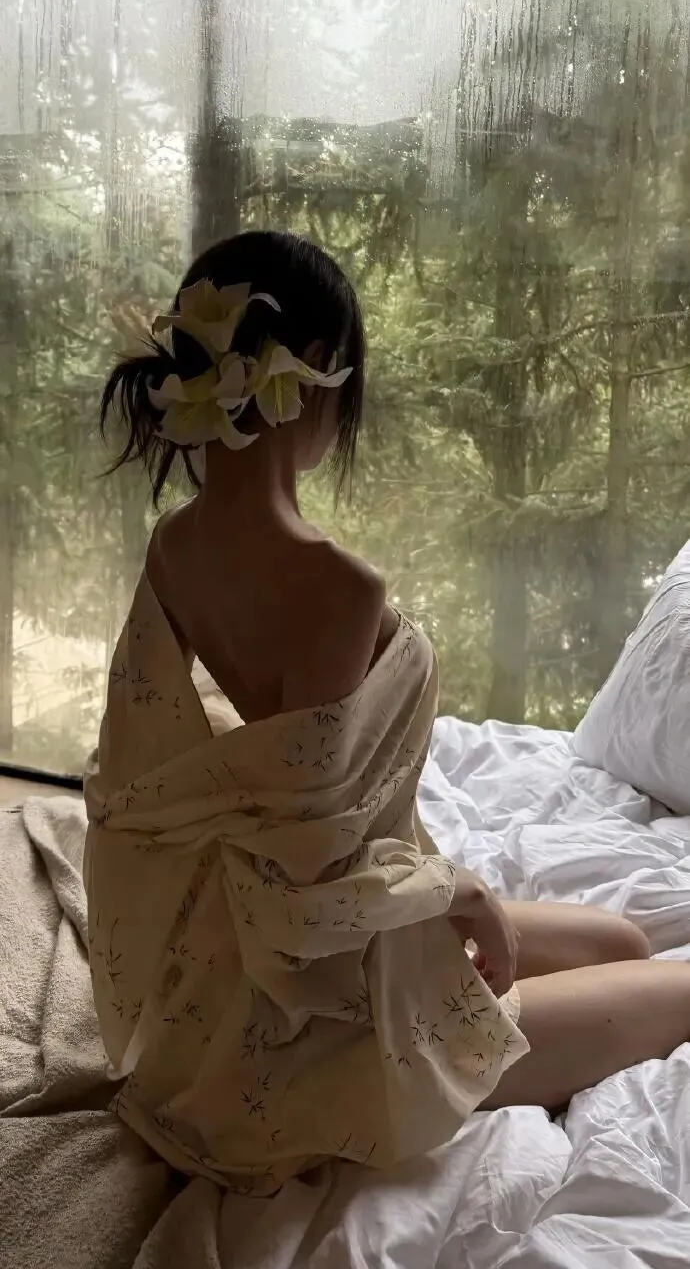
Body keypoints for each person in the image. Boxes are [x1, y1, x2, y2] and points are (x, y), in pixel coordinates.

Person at [85, 229, 690, 1193]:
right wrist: (460, 893)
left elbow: (159, 790)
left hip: (270, 943)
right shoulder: (336, 586)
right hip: (313, 1001)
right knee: (680, 986)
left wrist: (440, 895)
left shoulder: (176, 547)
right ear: (319, 365)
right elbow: (310, 873)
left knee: (620, 941)